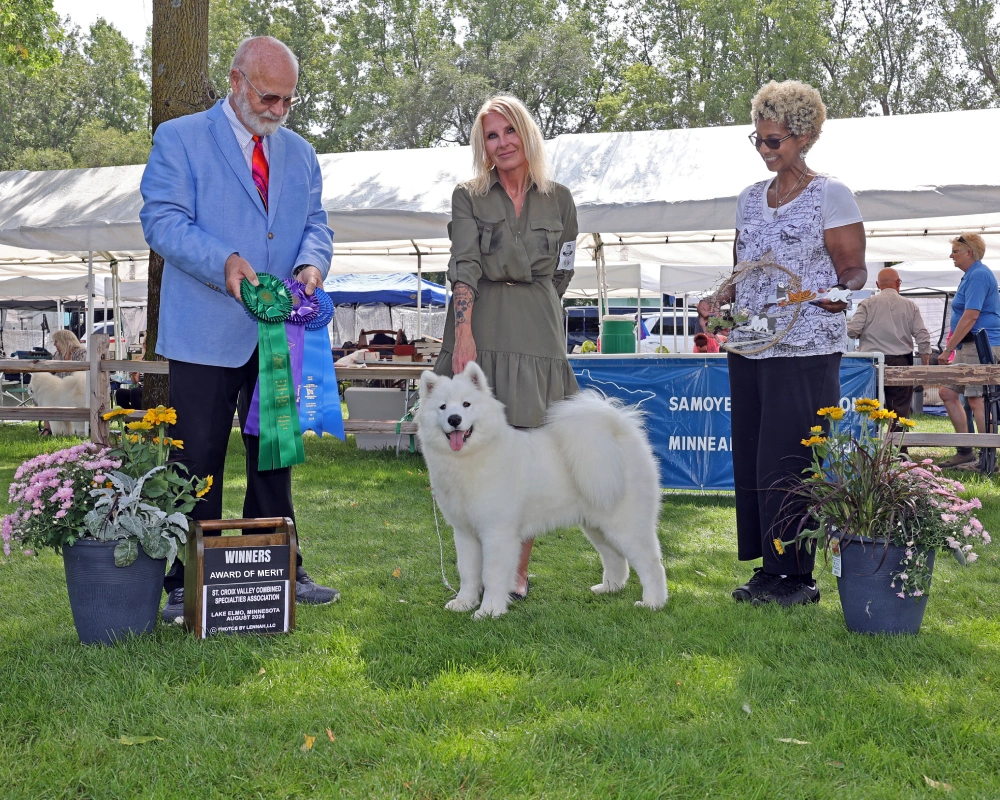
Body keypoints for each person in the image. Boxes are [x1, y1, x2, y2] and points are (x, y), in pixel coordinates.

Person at [140, 35, 339, 623]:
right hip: (204, 329)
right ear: (235, 80)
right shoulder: (179, 138)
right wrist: (222, 261)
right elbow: (162, 222)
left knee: (274, 453)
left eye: (288, 101)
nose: (277, 111)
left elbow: (317, 224)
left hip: (279, 334)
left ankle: (281, 570)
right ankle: (185, 580)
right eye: (268, 97)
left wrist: (313, 264)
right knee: (196, 459)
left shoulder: (301, 154)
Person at [721, 80, 867, 607]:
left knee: (790, 460)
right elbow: (741, 270)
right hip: (751, 346)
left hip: (806, 349)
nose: (764, 149)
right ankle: (768, 568)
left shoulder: (832, 194)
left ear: (802, 138)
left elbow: (854, 271)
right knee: (756, 459)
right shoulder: (747, 200)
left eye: (773, 141)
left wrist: (836, 293)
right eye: (757, 140)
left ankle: (797, 577)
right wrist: (719, 299)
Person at [435, 94, 579, 600]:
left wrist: (537, 306)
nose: (502, 144)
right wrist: (465, 330)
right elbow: (464, 264)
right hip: (483, 324)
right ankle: (477, 573)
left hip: (539, 329)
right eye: (491, 136)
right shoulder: (468, 195)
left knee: (530, 449)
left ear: (526, 133)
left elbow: (563, 268)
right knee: (474, 449)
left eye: (509, 132)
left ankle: (516, 571)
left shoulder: (559, 198)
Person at [936, 233, 1000, 468]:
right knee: (947, 392)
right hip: (970, 345)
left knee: (977, 399)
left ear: (969, 253)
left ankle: (987, 457)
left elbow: (971, 315)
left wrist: (948, 349)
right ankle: (965, 450)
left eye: (955, 251)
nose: (951, 255)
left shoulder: (978, 276)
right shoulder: (971, 275)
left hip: (981, 344)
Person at [847, 267, 931, 421]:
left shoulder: (867, 304)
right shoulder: (910, 306)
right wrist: (924, 365)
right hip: (901, 362)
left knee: (870, 409)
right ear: (899, 283)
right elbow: (922, 336)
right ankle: (899, 444)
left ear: (878, 285)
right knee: (899, 411)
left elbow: (852, 331)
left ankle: (870, 443)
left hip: (870, 363)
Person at [40, 330, 88, 435]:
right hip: (59, 386)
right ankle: (48, 428)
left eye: (56, 341)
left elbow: (81, 374)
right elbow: (51, 371)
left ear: (64, 341)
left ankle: (75, 429)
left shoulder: (81, 352)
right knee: (45, 394)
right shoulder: (57, 354)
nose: (54, 344)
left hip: (75, 386)